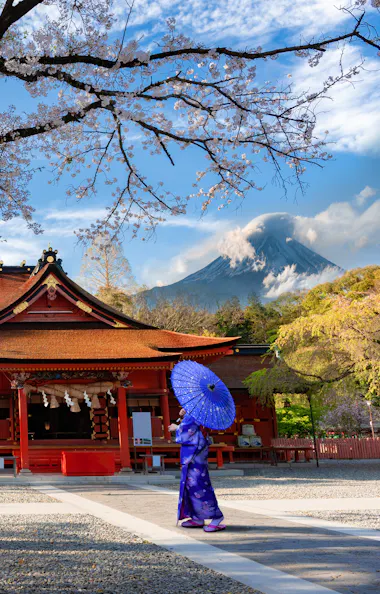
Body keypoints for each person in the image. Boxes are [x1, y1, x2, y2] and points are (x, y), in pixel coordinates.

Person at [168, 408, 225, 532]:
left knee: (199, 485)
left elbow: (190, 429)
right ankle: (197, 517)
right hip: (194, 453)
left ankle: (217, 516)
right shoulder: (196, 409)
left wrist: (177, 427)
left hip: (195, 453)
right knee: (191, 485)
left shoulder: (199, 410)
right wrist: (184, 415)